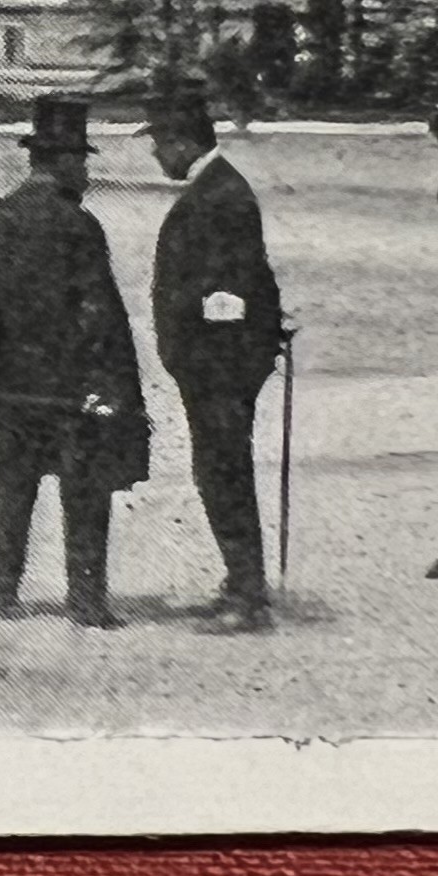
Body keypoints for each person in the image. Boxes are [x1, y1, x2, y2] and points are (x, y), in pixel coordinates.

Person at [0, 95, 151, 628]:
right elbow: (101, 316)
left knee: (12, 488)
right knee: (84, 494)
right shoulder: (78, 227)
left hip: (8, 391)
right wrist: (120, 388)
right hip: (70, 392)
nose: (85, 172)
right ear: (60, 163)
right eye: (81, 161)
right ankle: (86, 600)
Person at [149, 91, 286, 632]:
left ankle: (247, 597)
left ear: (184, 142)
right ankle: (238, 582)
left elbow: (230, 289)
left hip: (219, 368)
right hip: (216, 365)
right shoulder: (219, 187)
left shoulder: (218, 196)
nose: (158, 156)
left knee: (224, 472)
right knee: (220, 471)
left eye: (161, 145)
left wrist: (217, 352)